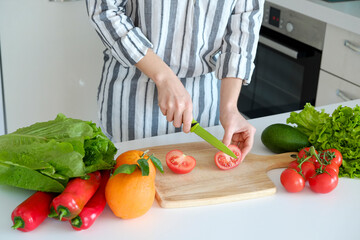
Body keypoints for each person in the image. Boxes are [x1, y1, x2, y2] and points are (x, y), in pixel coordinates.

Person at [85, 0, 263, 162]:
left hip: (205, 104)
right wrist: (164, 77)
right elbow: (104, 9)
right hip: (133, 99)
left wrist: (229, 108)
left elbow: (242, 33)